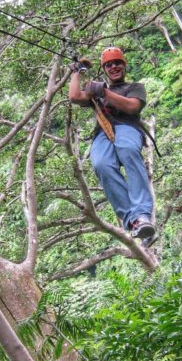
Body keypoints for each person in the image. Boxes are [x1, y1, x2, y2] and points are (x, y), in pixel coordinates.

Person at [69, 46, 156, 243]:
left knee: (127, 150)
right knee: (101, 164)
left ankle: (142, 214)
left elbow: (132, 106)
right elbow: (74, 96)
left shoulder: (135, 87)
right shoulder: (96, 92)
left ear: (124, 66)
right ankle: (133, 222)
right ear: (104, 69)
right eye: (108, 65)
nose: (114, 67)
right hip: (102, 132)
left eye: (117, 63)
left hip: (127, 127)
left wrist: (104, 92)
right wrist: (77, 71)